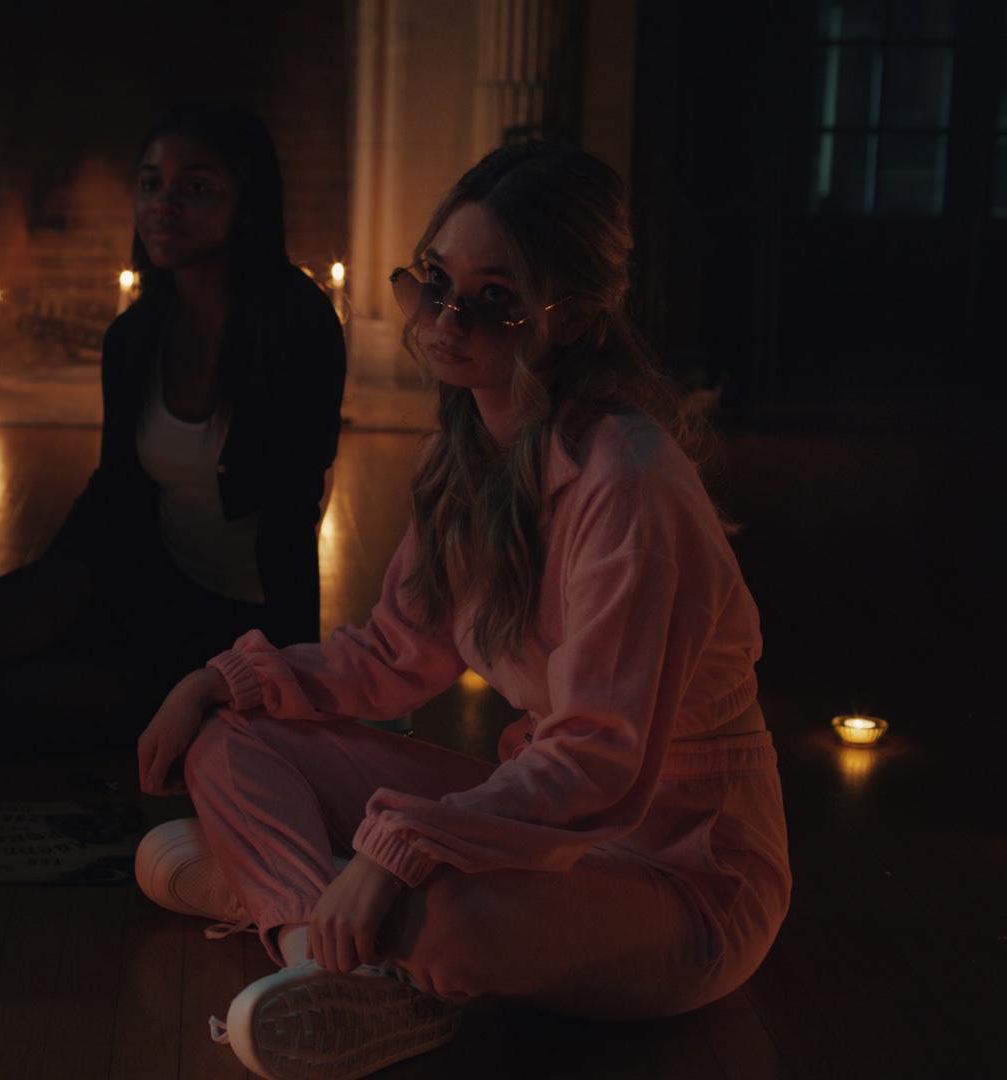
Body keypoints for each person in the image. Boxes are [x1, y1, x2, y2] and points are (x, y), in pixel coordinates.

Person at [134, 142, 791, 1079]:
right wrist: (217, 680)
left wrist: (399, 852)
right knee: (230, 739)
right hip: (550, 834)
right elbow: (390, 657)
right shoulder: (467, 451)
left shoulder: (629, 482)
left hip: (679, 870)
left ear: (571, 317)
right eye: (434, 280)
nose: (446, 319)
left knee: (436, 915)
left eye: (493, 298)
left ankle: (307, 909)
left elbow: (600, 755)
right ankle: (327, 953)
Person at [0, 101, 347, 754]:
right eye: (151, 184)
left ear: (249, 201)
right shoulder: (135, 336)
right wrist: (49, 595)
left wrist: (287, 686)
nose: (163, 205)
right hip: (141, 581)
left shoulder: (298, 328)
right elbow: (113, 486)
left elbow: (291, 519)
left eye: (196, 187)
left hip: (230, 631)